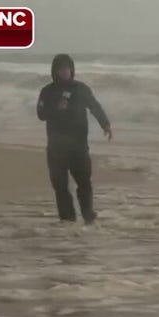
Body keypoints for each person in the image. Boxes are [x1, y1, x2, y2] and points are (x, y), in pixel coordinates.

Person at [36, 53, 112, 224]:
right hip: (56, 147)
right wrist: (56, 109)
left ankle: (88, 215)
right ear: (54, 71)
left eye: (67, 68)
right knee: (60, 186)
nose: (64, 72)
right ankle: (68, 219)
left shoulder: (81, 89)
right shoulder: (47, 91)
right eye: (60, 69)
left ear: (71, 69)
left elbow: (94, 106)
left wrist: (105, 124)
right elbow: (41, 114)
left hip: (78, 145)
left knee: (84, 182)